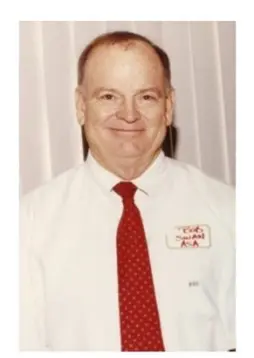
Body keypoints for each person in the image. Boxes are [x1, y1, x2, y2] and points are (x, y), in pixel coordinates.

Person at [20, 31, 235, 351]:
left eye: (146, 96)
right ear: (81, 106)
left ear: (168, 105)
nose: (129, 114)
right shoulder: (28, 223)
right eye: (109, 96)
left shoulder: (230, 211)